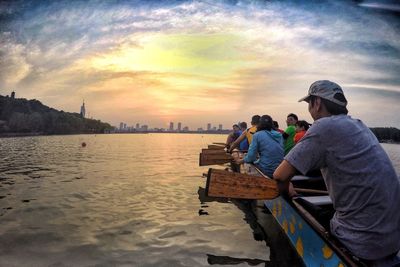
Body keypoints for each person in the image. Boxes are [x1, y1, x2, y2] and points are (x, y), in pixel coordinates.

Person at [273, 80, 400, 265]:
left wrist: (288, 190)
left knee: (298, 202)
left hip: (360, 242)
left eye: (309, 103)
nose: (309, 109)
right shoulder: (360, 125)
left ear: (317, 103)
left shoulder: (323, 127)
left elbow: (279, 176)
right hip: (392, 240)